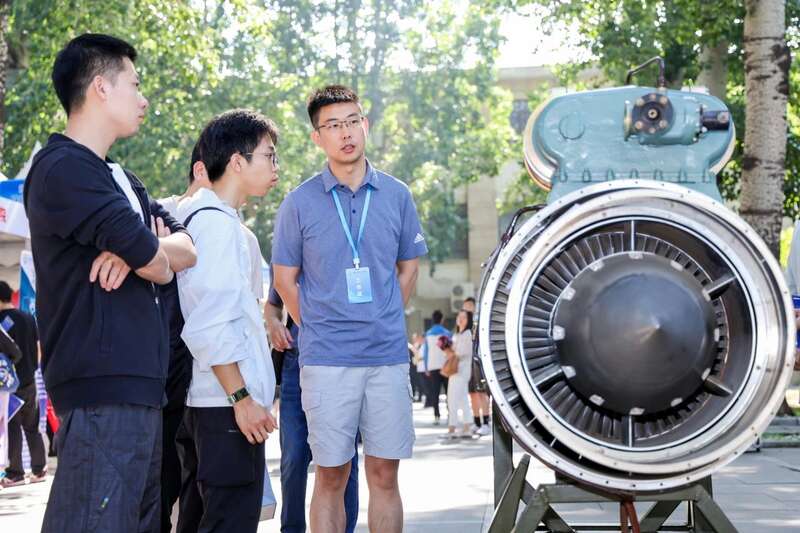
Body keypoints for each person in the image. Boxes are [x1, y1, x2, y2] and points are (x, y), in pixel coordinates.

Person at [23, 33, 196, 532]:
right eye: (134, 85)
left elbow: (186, 248)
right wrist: (145, 251)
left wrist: (136, 250)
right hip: (101, 389)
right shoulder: (64, 169)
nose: (143, 99)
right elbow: (158, 263)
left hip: (140, 388)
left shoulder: (120, 177)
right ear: (101, 87)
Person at [272, 84, 426, 533]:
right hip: (326, 361)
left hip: (386, 357)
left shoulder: (397, 194)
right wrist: (319, 327)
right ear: (317, 136)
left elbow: (409, 269)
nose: (346, 133)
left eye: (353, 121)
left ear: (366, 125)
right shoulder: (299, 202)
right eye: (333, 125)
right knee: (331, 475)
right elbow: (284, 281)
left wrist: (382, 317)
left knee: (384, 475)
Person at [175, 109, 279, 533]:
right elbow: (212, 323)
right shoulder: (217, 226)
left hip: (210, 404)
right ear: (237, 161)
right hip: (224, 406)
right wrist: (242, 399)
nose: (275, 167)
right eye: (269, 156)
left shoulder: (208, 219)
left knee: (203, 519)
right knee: (228, 521)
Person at [265, 274, 360, 533]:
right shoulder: (287, 254)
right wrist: (274, 324)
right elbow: (272, 305)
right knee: (294, 456)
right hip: (295, 366)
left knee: (343, 459)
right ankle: (292, 528)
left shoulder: (351, 252)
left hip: (341, 363)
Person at [0, 281, 46, 487]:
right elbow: (38, 347)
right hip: (30, 380)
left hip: (9, 383)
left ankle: (15, 473)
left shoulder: (2, 321)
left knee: (12, 426)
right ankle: (39, 469)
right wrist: (32, 369)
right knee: (32, 427)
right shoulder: (28, 317)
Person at [462, 297, 491, 435]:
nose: (466, 308)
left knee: (481, 392)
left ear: (474, 307)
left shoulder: (479, 321)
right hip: (466, 363)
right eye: (464, 306)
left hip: (477, 361)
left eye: (469, 305)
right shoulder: (464, 325)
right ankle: (477, 422)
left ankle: (486, 422)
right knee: (472, 393)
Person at [444, 310, 474, 438]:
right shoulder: (457, 334)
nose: (460, 319)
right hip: (455, 370)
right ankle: (466, 427)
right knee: (461, 399)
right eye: (459, 316)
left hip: (461, 370)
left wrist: (450, 350)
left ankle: (452, 428)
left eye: (464, 317)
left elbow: (462, 352)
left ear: (468, 320)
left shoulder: (467, 334)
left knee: (453, 398)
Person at [422, 310, 450, 424]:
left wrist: (426, 367)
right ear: (442, 319)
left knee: (435, 392)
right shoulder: (446, 333)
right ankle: (450, 414)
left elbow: (426, 352)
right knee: (448, 392)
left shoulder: (428, 334)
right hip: (445, 365)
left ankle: (436, 416)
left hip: (432, 366)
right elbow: (450, 349)